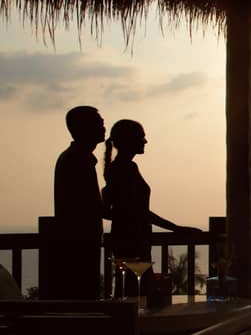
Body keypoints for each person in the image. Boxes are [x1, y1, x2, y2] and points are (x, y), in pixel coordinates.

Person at [102, 119, 199, 295]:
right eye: (141, 137)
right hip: (133, 241)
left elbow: (113, 209)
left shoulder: (119, 168)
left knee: (131, 290)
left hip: (128, 239)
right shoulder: (126, 169)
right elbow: (139, 212)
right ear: (129, 140)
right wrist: (176, 228)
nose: (145, 141)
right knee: (138, 292)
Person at [51, 105, 106, 299]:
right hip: (80, 244)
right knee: (83, 297)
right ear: (84, 128)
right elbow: (92, 207)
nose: (104, 128)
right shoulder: (78, 159)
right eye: (99, 124)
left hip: (77, 242)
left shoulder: (74, 157)